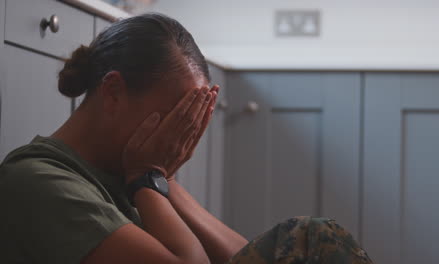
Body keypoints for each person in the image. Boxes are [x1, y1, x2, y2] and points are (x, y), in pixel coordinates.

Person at [0, 13, 373, 264]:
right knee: (312, 236)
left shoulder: (133, 171)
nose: (183, 134)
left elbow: (244, 256)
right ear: (113, 92)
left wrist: (162, 180)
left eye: (194, 119)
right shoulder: (39, 181)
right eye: (178, 116)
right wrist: (148, 178)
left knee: (312, 240)